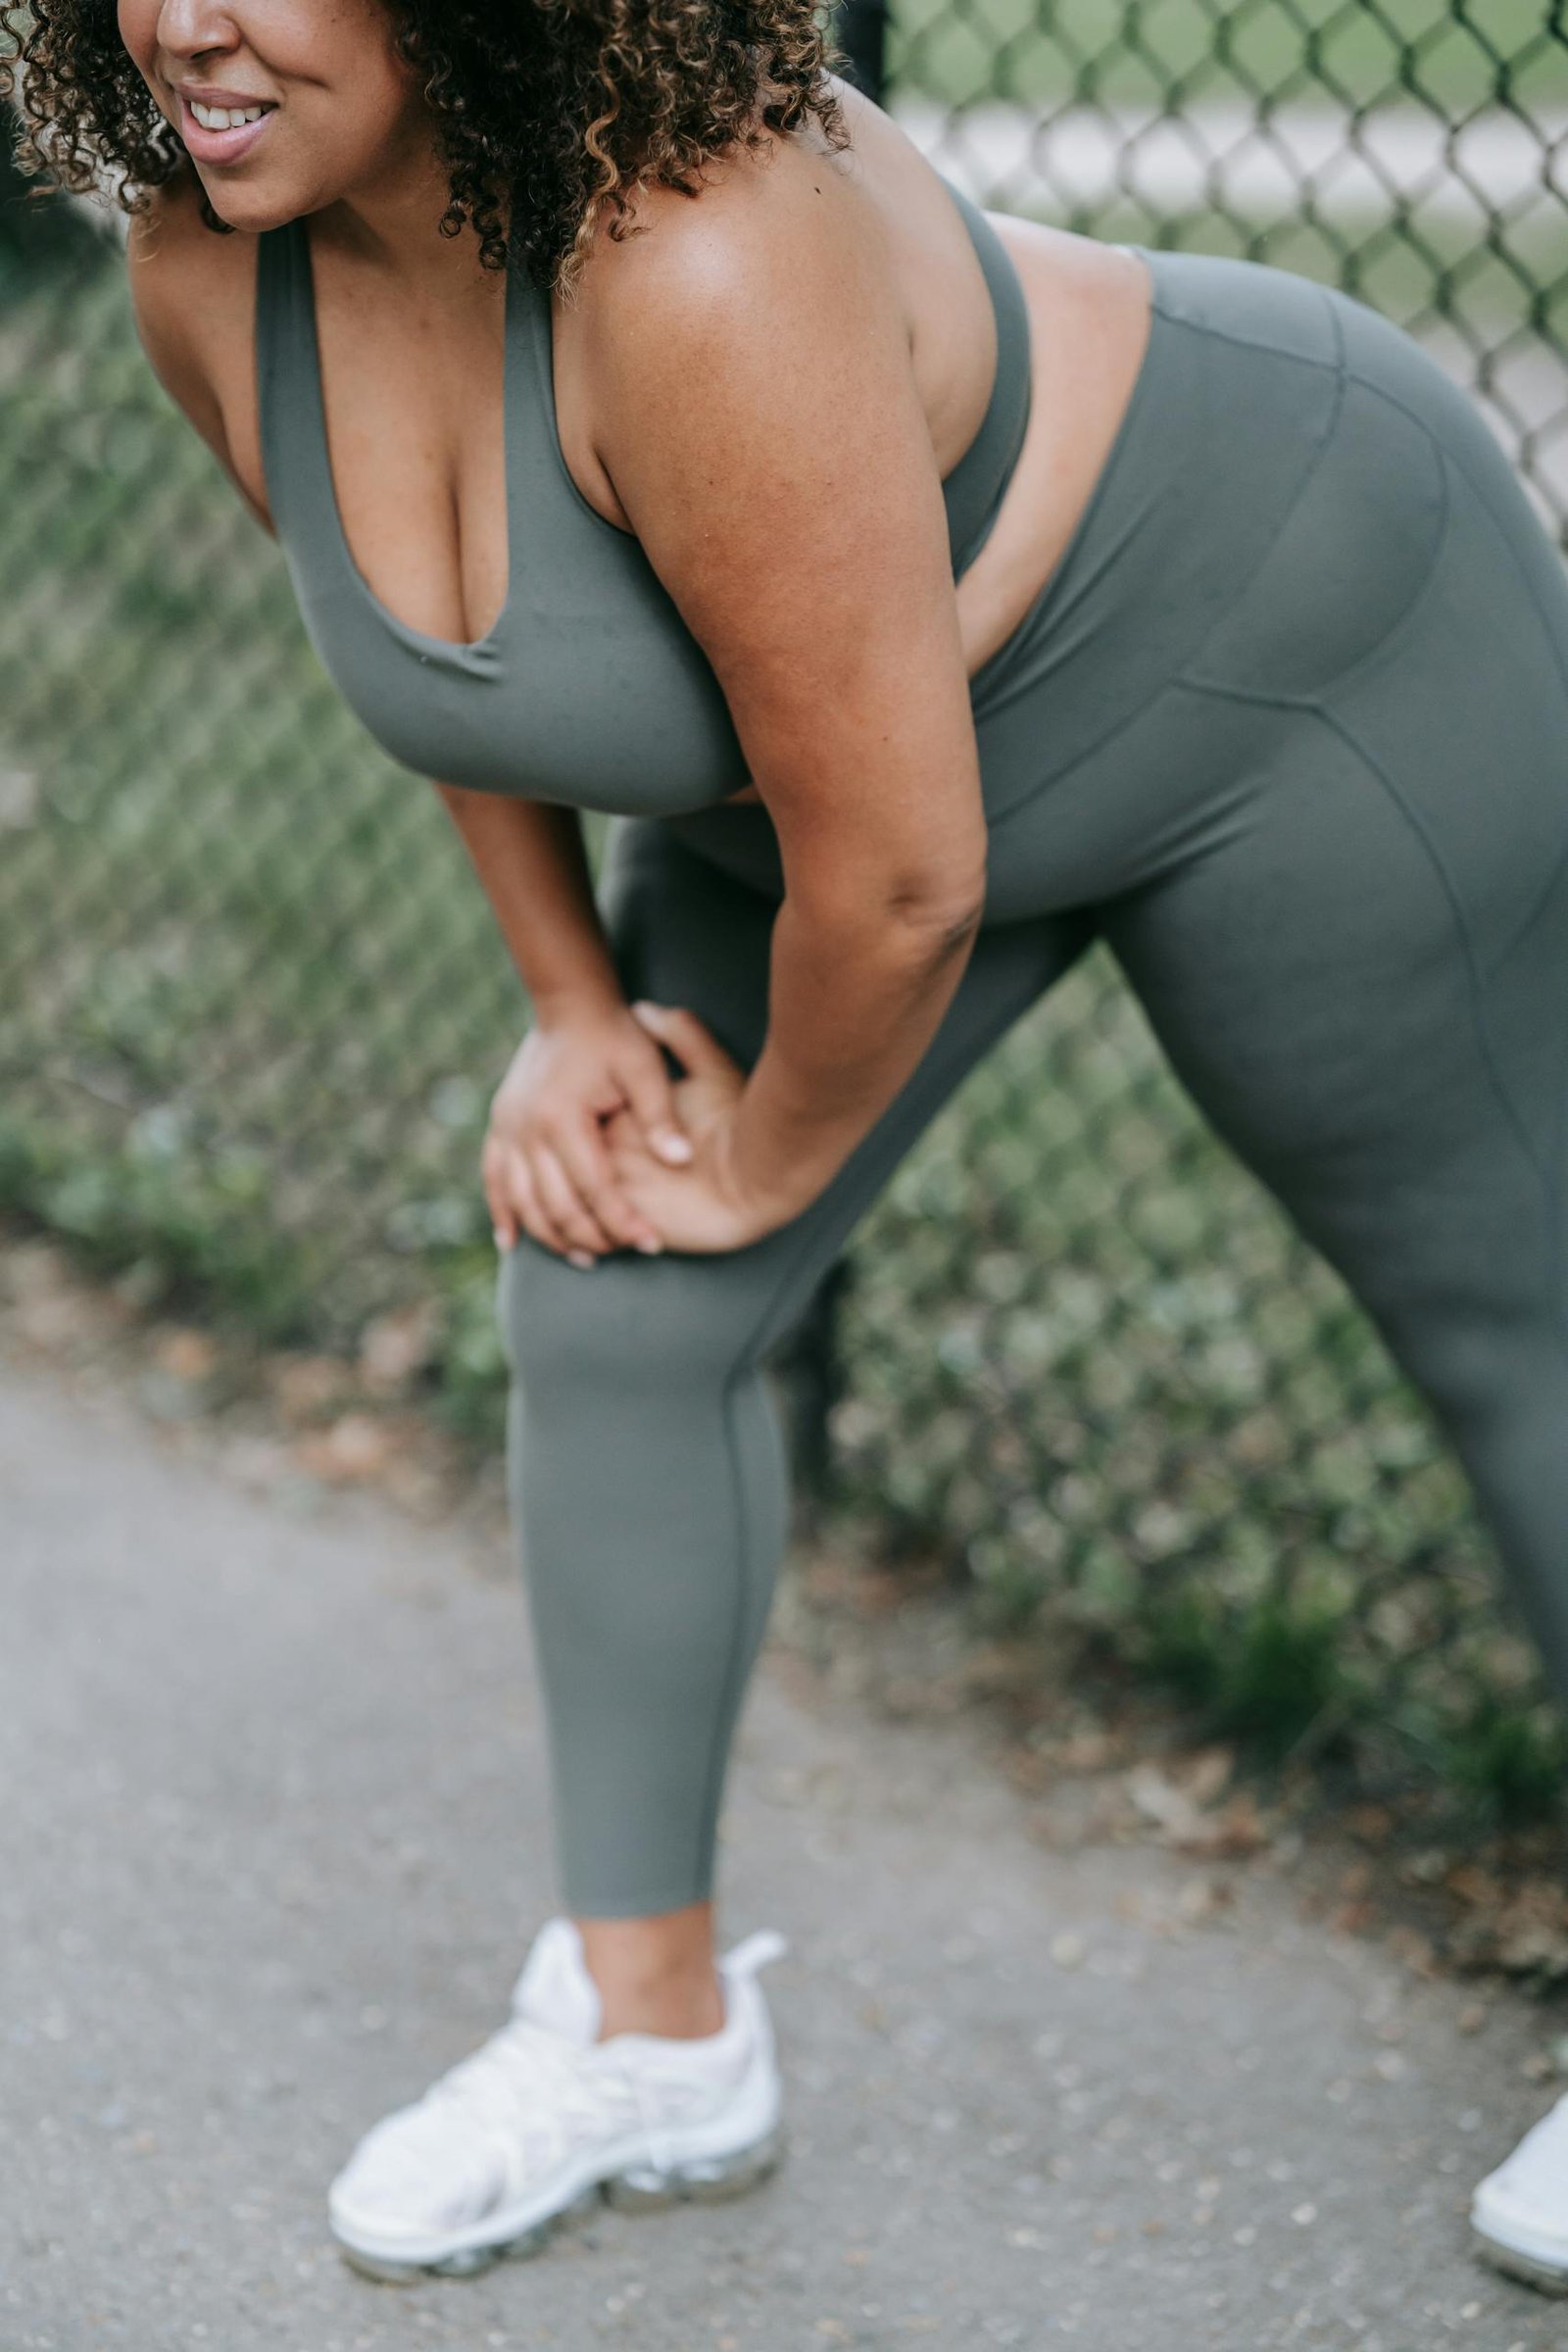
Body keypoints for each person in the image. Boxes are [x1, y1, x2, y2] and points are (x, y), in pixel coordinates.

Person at [6, 0, 1566, 2296]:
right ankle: (651, 2040)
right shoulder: (203, 257)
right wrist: (564, 1009)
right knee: (606, 1291)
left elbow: (904, 877)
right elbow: (434, 655)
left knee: (1507, 1304)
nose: (182, 19)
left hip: (1277, 643)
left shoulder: (699, 255)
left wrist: (758, 1161)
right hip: (837, 786)